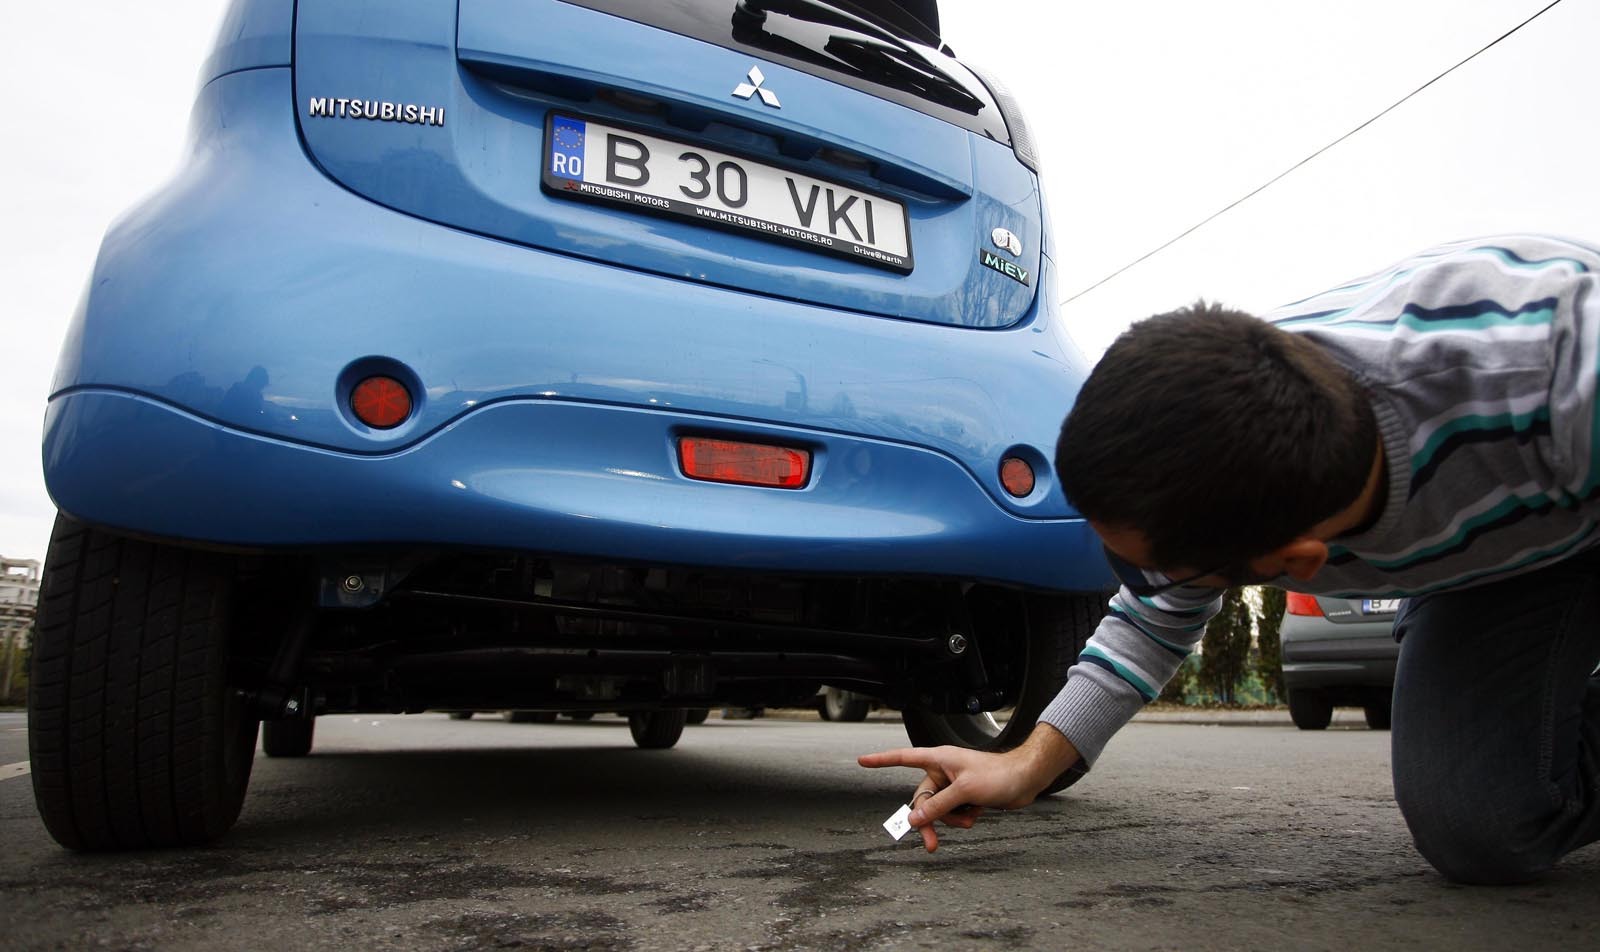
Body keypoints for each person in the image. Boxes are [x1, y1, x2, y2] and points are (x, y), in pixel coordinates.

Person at [861, 234, 1600, 884]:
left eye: (1148, 573)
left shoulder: (1552, 368)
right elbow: (1150, 621)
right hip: (1491, 564)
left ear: (1295, 563)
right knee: (1479, 825)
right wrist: (1025, 763)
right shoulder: (1224, 437)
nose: (1136, 591)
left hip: (1567, 490)